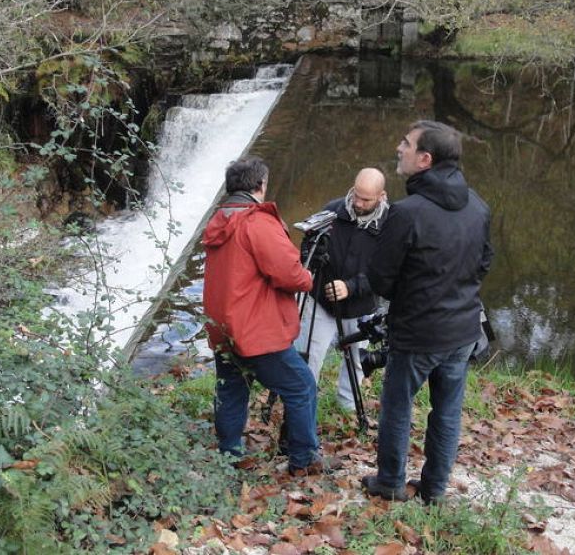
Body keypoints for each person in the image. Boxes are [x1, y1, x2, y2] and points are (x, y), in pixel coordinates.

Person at [361, 120, 493, 503]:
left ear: (425, 159)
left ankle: (390, 482)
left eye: (406, 144)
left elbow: (381, 280)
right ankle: (434, 490)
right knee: (447, 413)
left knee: (398, 408)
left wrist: (416, 294)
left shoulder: (406, 213)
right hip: (463, 328)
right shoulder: (478, 206)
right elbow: (485, 263)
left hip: (417, 332)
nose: (398, 148)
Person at [202, 158, 322, 474]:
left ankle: (228, 455)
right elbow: (289, 274)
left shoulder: (219, 219)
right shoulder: (257, 222)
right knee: (302, 387)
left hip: (223, 327)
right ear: (260, 186)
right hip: (256, 331)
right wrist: (308, 277)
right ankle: (303, 460)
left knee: (231, 388)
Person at [296, 168, 389, 412]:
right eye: (356, 194)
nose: (357, 203)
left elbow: (388, 272)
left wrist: (351, 287)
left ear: (381, 196)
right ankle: (304, 404)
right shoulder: (332, 210)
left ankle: (347, 405)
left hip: (361, 306)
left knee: (356, 359)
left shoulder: (392, 224)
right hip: (321, 301)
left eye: (366, 199)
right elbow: (307, 247)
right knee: (308, 354)